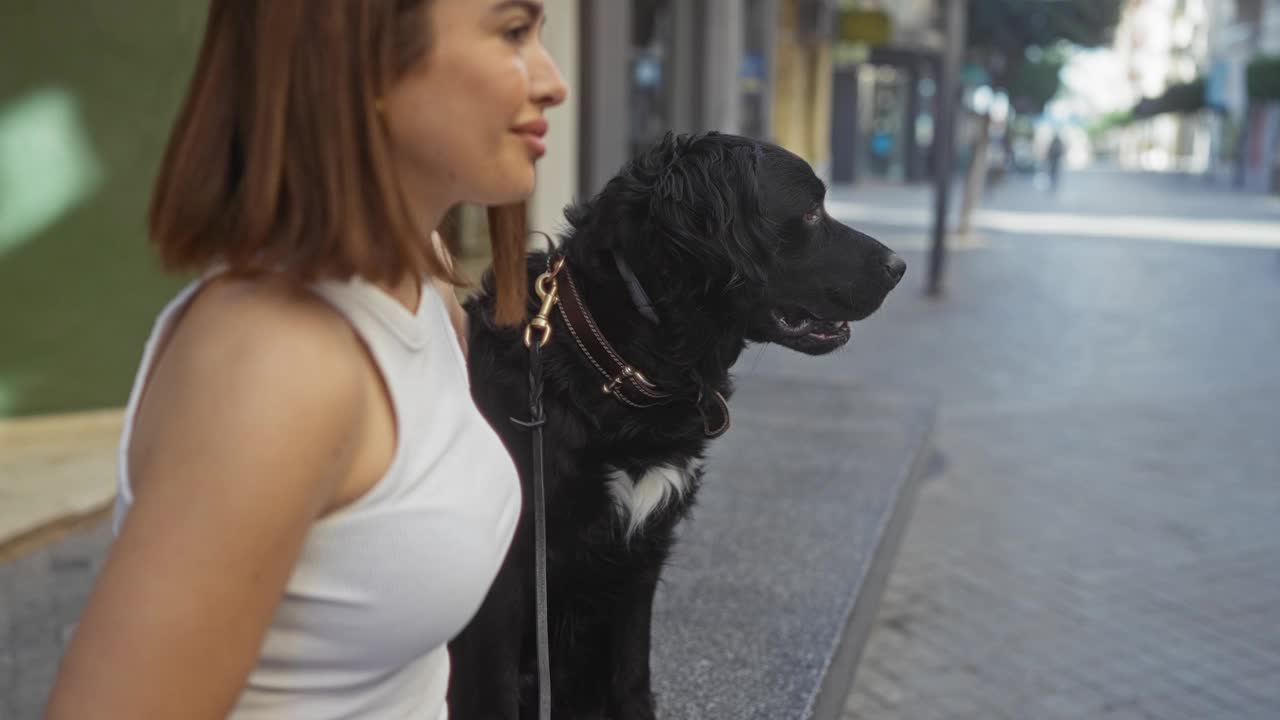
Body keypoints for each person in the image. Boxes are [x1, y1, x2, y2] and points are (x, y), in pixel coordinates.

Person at [44, 0, 567, 717]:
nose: (553, 80)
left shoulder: (419, 273)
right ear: (366, 53)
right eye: (514, 31)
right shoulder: (277, 360)